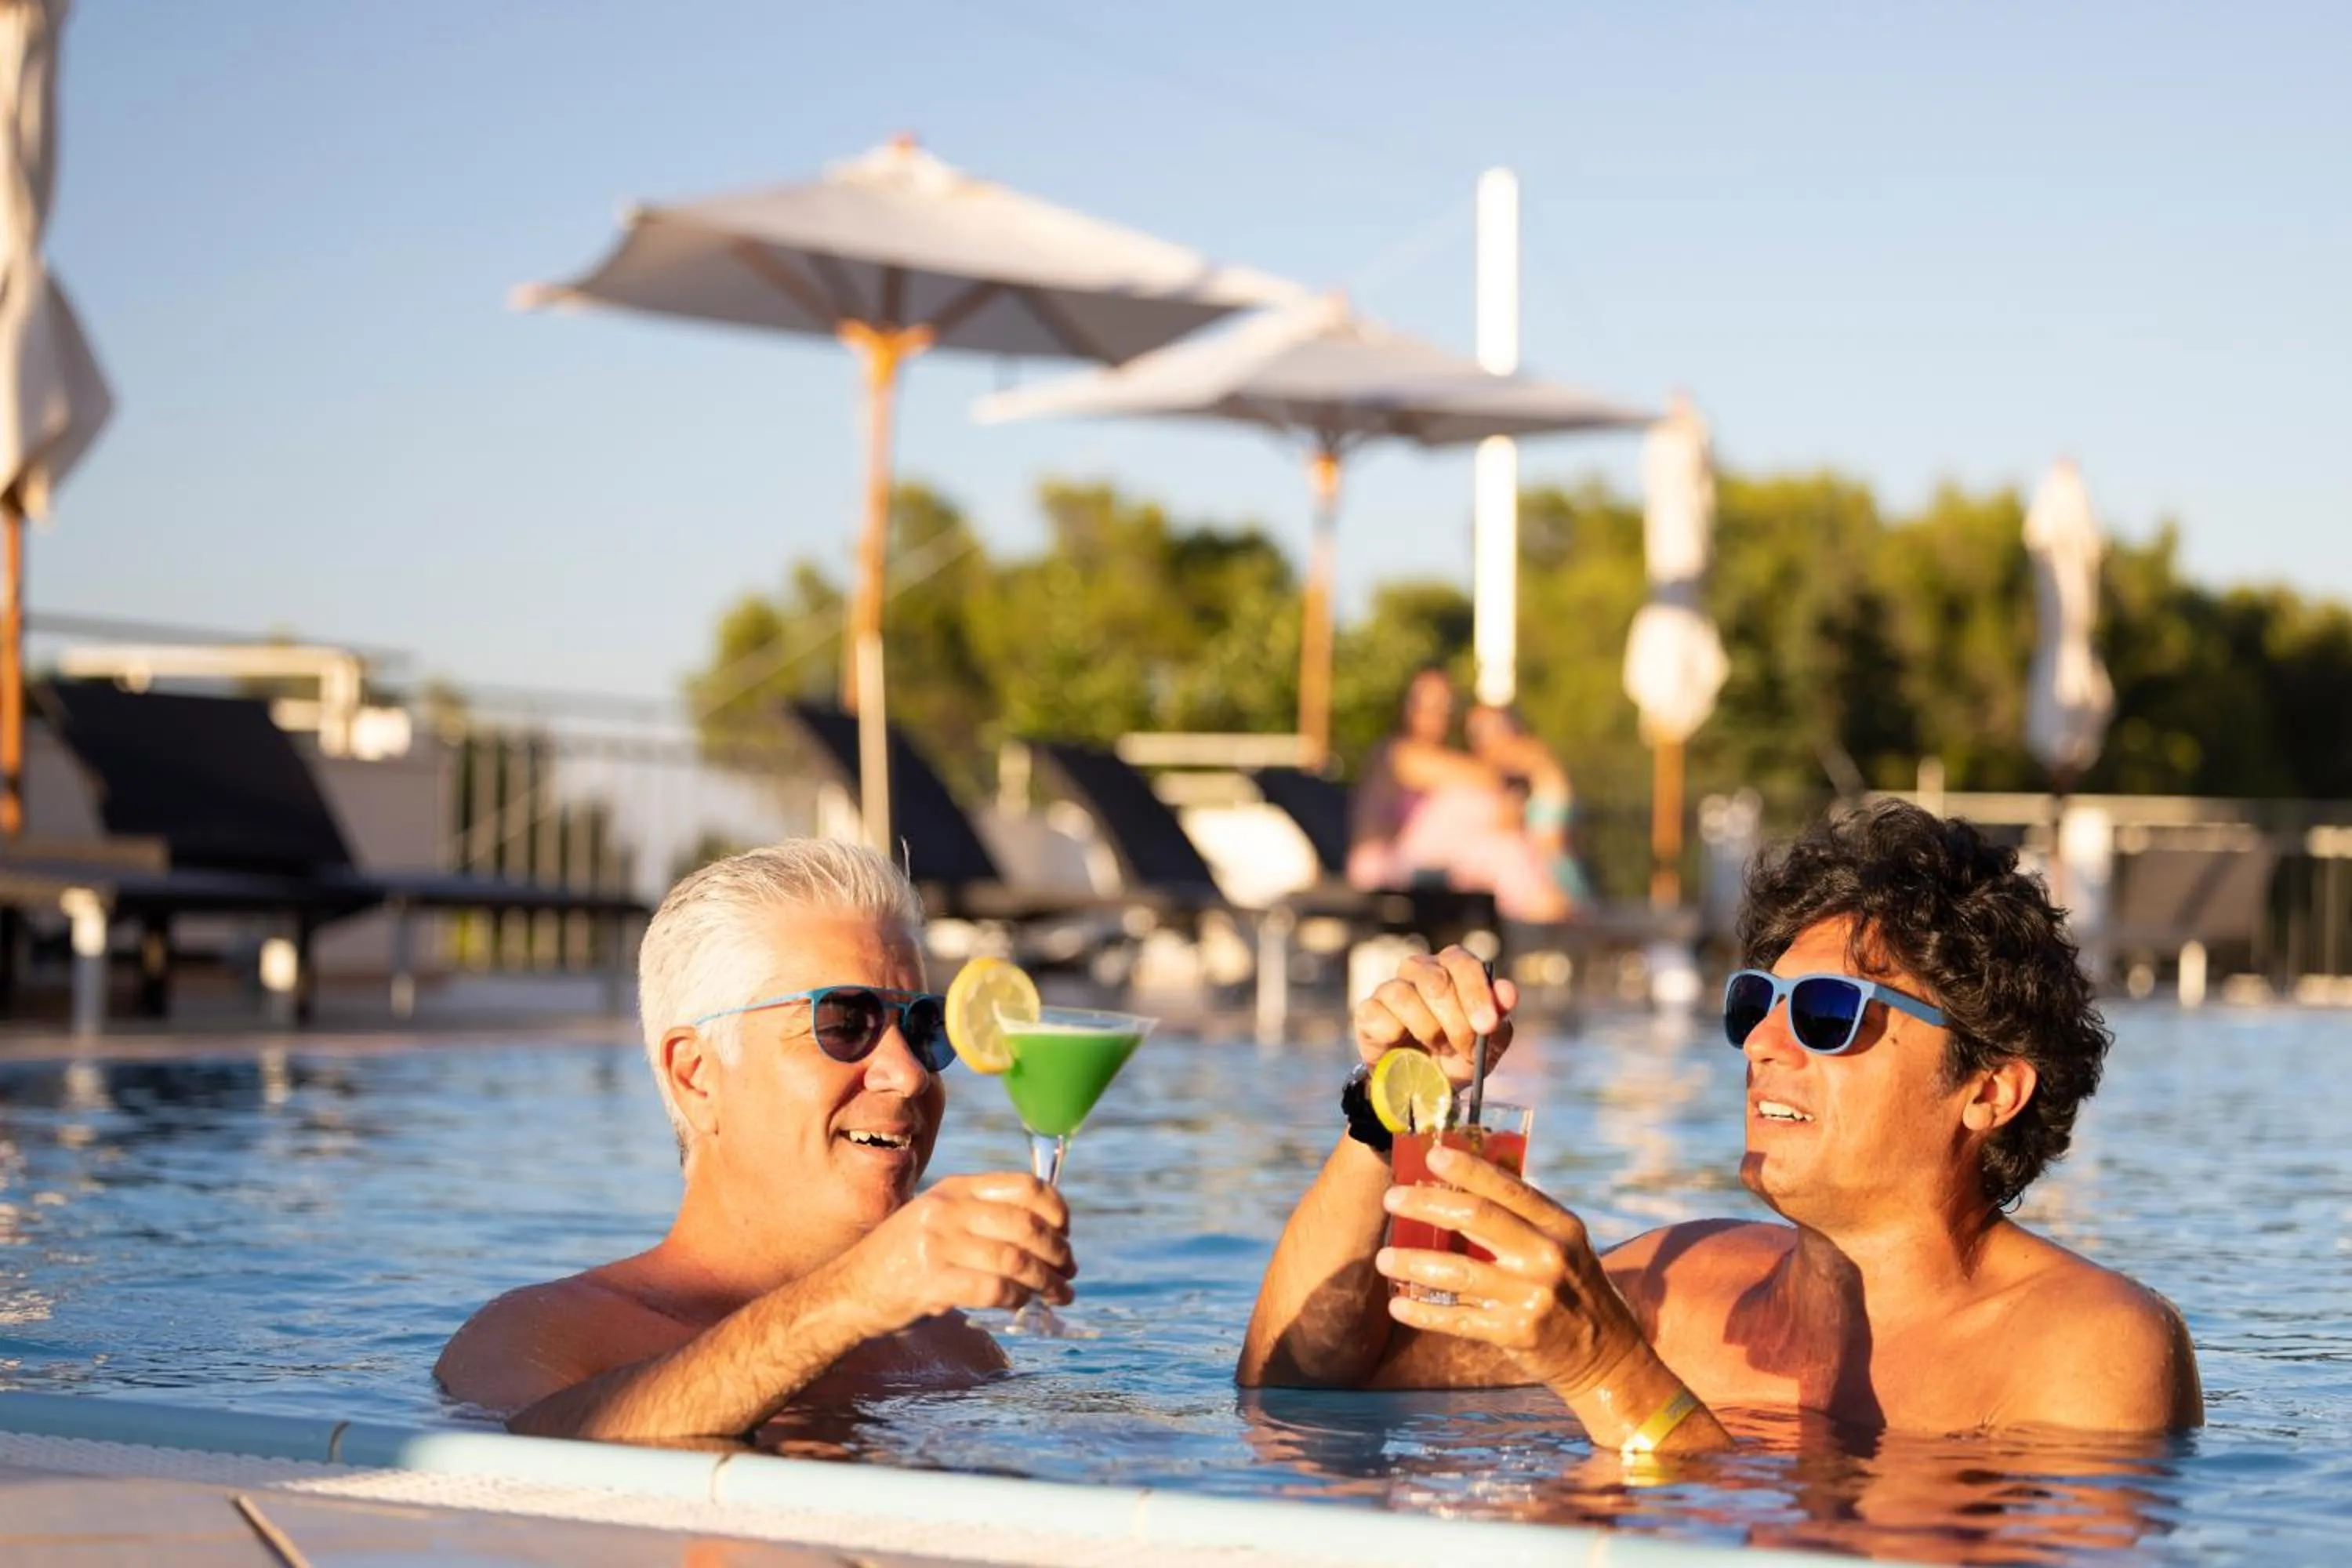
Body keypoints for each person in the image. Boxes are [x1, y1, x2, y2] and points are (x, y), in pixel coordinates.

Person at [1239, 800, 2202, 1447]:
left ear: (1989, 1091)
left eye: (1828, 1012)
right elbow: (1300, 1386)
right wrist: (1393, 1104)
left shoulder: (2090, 1346)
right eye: (1756, 1003)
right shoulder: (1680, 1284)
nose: (1765, 1042)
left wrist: (1607, 1369)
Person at [435, 840, 1075, 1443]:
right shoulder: (544, 1333)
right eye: (844, 1022)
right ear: (698, 1075)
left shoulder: (956, 1352)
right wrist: (852, 1296)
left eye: (923, 1027)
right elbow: (525, 1461)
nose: (908, 1072)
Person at [1347, 667, 1571, 922]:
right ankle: (1542, 904)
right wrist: (1527, 758)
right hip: (1388, 871)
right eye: (1426, 704)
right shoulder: (1397, 754)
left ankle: (1543, 901)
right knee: (1478, 808)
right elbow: (1488, 777)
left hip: (1426, 868)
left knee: (1498, 835)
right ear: (1406, 707)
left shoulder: (1443, 761)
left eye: (1445, 706)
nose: (1436, 715)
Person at [1464, 702, 1593, 912]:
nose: (1487, 741)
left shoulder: (1539, 764)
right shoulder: (1499, 787)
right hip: (1527, 888)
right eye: (1477, 733)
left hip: (1554, 885)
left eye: (1495, 729)